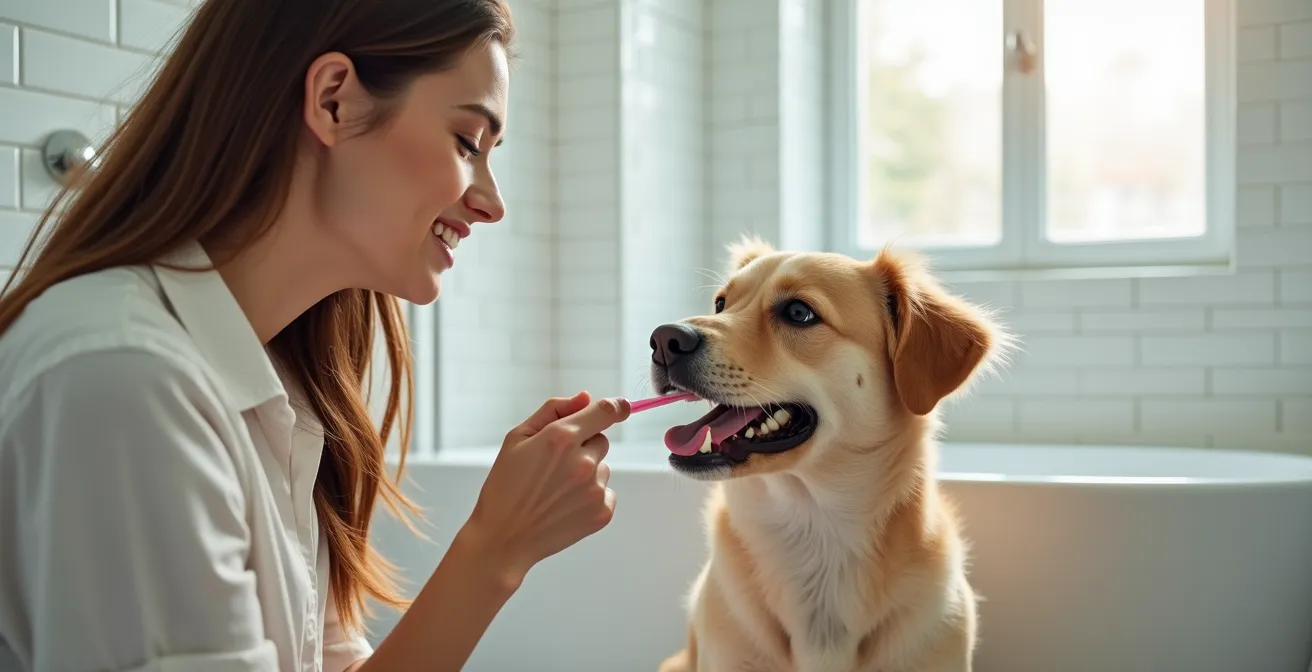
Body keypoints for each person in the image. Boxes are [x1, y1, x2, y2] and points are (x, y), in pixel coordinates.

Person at [0, 1, 631, 670]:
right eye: (467, 142)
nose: (492, 201)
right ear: (333, 101)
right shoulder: (127, 379)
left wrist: (501, 544)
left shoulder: (277, 385)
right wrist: (493, 548)